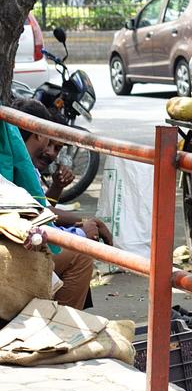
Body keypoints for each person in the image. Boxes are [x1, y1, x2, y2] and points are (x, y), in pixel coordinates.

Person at [8, 99, 113, 309]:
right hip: (18, 246)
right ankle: (62, 329)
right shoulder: (18, 163)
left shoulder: (24, 163)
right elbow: (38, 212)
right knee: (81, 255)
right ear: (38, 133)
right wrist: (82, 229)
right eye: (49, 142)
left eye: (57, 148)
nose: (50, 151)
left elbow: (40, 207)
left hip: (24, 235)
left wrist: (57, 190)